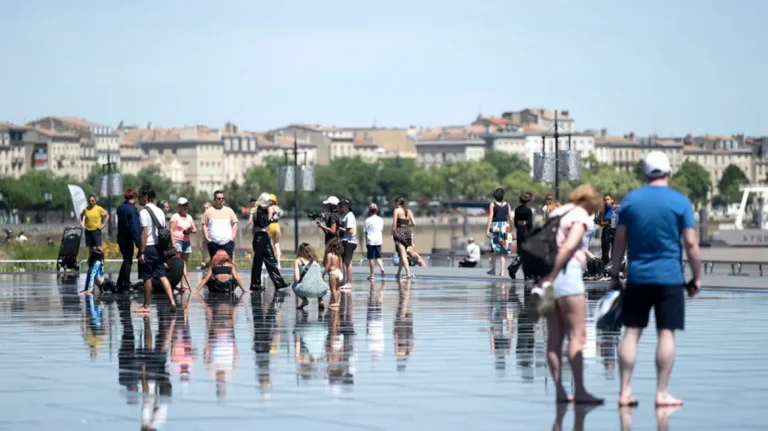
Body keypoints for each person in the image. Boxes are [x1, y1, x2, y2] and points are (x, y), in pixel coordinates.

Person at [610, 151, 702, 408]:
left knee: (631, 333)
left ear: (645, 174)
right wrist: (697, 277)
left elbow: (619, 241)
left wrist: (615, 273)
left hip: (637, 276)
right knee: (666, 334)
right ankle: (662, 393)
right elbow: (692, 244)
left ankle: (624, 391)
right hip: (669, 277)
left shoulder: (630, 201)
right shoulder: (680, 202)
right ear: (668, 173)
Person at [533, 184, 603, 405]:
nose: (593, 213)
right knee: (576, 336)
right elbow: (569, 247)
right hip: (567, 275)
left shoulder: (556, 213)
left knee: (553, 337)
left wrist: (544, 278)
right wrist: (552, 276)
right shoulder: (580, 215)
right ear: (589, 202)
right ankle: (580, 390)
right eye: (594, 208)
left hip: (546, 276)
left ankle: (560, 391)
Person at [135, 185, 177, 315]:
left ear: (146, 197)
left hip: (148, 247)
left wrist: (141, 252)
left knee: (147, 277)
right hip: (159, 248)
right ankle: (172, 300)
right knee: (162, 275)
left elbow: (144, 233)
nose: (138, 200)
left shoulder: (143, 212)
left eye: (140, 197)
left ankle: (146, 305)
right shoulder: (159, 211)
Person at [249, 193, 289, 291]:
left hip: (264, 237)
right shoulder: (258, 211)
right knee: (258, 262)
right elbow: (262, 224)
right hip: (259, 238)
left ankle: (279, 282)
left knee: (271, 260)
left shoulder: (264, 210)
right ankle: (255, 284)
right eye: (268, 201)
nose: (269, 203)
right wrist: (271, 219)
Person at [391, 197, 425, 279]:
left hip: (399, 232)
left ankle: (408, 273)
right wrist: (407, 227)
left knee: (403, 254)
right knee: (402, 254)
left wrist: (393, 233)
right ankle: (398, 273)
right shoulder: (408, 211)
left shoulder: (397, 211)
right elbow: (414, 223)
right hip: (408, 232)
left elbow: (394, 224)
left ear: (397, 203)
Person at [201, 190, 238, 260]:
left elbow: (235, 223)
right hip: (213, 243)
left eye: (222, 198)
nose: (221, 200)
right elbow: (204, 225)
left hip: (227, 243)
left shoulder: (229, 211)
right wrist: (208, 239)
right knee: (215, 265)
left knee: (228, 265)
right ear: (214, 199)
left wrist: (232, 238)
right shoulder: (208, 212)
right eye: (219, 198)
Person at [116, 189, 141, 290]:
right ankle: (126, 283)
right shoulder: (132, 210)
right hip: (128, 238)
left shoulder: (121, 208)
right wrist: (138, 242)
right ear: (134, 197)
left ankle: (120, 282)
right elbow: (134, 227)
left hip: (121, 237)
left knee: (126, 259)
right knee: (128, 260)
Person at [486, 188, 514, 276]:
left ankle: (493, 269)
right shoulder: (507, 205)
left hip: (496, 227)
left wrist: (487, 229)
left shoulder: (492, 204)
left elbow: (490, 217)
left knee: (494, 249)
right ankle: (502, 271)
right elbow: (510, 218)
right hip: (506, 227)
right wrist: (511, 228)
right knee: (504, 250)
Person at [292, 243, 328, 311]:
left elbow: (297, 279)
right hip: (322, 290)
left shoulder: (298, 261)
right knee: (318, 282)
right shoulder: (316, 261)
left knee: (294, 285)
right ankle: (320, 301)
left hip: (307, 290)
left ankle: (304, 300)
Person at [170, 197, 198, 266]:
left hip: (186, 242)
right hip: (177, 241)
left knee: (185, 261)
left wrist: (190, 231)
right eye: (183, 205)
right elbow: (171, 230)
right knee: (178, 260)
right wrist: (173, 243)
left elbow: (195, 229)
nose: (185, 207)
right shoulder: (175, 216)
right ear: (179, 206)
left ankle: (184, 275)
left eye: (186, 205)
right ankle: (178, 275)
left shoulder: (189, 217)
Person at [364, 203, 386, 280]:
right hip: (378, 239)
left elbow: (366, 232)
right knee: (378, 256)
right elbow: (381, 229)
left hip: (370, 240)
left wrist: (366, 241)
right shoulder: (381, 219)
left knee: (371, 258)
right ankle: (382, 267)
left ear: (370, 211)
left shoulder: (367, 220)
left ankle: (372, 274)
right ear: (377, 210)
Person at [338, 199, 357, 286]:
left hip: (349, 241)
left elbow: (350, 230)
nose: (342, 207)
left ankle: (349, 283)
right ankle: (344, 281)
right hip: (345, 240)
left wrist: (338, 228)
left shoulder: (349, 216)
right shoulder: (345, 215)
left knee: (348, 262)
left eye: (343, 205)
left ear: (347, 206)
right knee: (344, 262)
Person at [597, 194, 619, 267]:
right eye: (605, 200)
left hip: (615, 230)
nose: (606, 201)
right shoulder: (602, 210)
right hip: (606, 230)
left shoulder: (616, 208)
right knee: (605, 250)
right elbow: (601, 224)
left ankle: (615, 266)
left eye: (608, 199)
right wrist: (608, 222)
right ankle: (605, 266)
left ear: (612, 200)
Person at [323, 238, 344, 308]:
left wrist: (324, 272)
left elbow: (328, 264)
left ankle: (336, 302)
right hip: (339, 273)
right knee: (337, 289)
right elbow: (341, 266)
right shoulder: (339, 255)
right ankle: (336, 301)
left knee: (333, 289)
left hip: (333, 273)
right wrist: (342, 275)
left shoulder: (330, 254)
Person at [267, 194, 283, 267]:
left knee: (267, 244)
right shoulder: (278, 208)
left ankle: (267, 261)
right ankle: (278, 263)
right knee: (277, 244)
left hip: (270, 226)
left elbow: (269, 219)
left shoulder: (270, 208)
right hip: (277, 226)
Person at [200, 202, 211, 269]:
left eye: (206, 207)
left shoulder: (212, 216)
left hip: (211, 237)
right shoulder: (203, 216)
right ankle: (204, 264)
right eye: (204, 208)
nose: (205, 209)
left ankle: (208, 264)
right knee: (204, 251)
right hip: (205, 237)